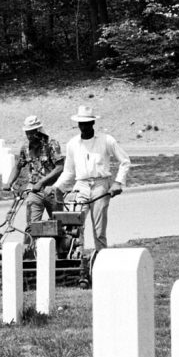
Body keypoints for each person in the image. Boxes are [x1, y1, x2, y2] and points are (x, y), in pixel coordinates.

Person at [54, 105, 131, 253]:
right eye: (81, 123)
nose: (84, 126)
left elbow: (125, 161)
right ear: (78, 124)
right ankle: (77, 259)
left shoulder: (106, 140)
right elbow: (69, 171)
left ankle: (101, 257)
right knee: (74, 225)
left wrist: (117, 182)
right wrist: (56, 187)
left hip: (100, 184)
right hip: (81, 184)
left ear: (93, 123)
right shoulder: (72, 144)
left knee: (99, 227)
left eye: (87, 123)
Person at [2, 115, 65, 226]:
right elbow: (18, 166)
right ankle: (31, 243)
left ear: (39, 130)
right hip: (34, 190)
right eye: (27, 132)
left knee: (58, 225)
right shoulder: (25, 147)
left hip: (52, 189)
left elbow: (60, 167)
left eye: (32, 132)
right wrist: (9, 182)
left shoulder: (51, 145)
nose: (29, 135)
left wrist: (42, 182)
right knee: (32, 226)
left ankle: (58, 242)